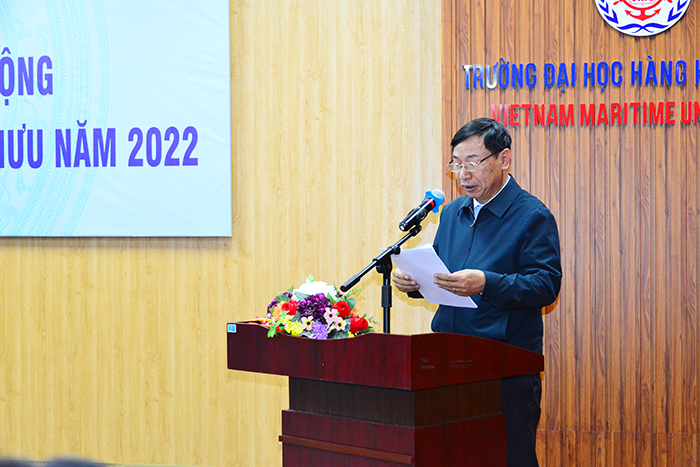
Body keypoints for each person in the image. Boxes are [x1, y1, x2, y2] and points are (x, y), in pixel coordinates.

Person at [392, 117, 562, 467]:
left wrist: (488, 282)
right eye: (456, 164)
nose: (463, 174)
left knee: (508, 458)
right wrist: (415, 283)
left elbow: (545, 285)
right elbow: (444, 275)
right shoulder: (453, 213)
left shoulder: (532, 215)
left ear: (504, 159)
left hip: (504, 368)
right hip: (447, 362)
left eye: (473, 162)